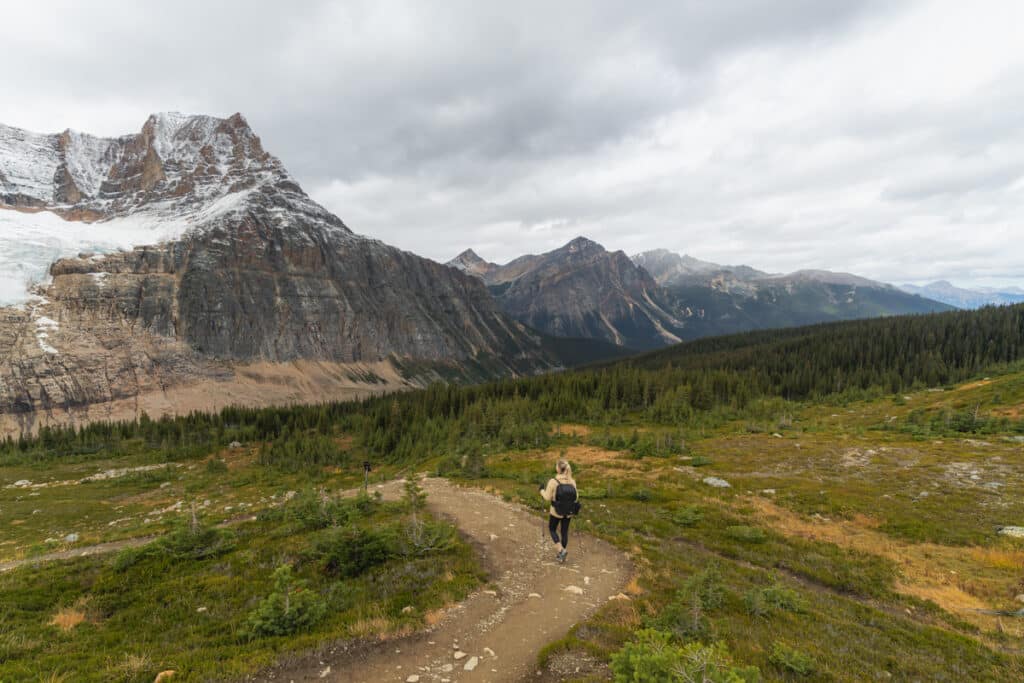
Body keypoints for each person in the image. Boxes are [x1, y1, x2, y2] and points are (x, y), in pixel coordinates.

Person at [539, 458, 579, 563]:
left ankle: (561, 551)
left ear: (558, 468)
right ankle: (562, 555)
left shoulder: (553, 481)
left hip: (556, 511)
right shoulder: (572, 481)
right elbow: (576, 497)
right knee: (564, 532)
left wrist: (541, 490)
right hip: (569, 512)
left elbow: (547, 497)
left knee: (552, 529)